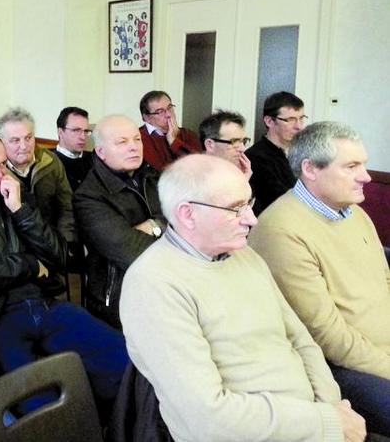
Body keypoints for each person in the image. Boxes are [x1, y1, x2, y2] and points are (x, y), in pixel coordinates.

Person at [120, 154, 366, 442]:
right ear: (188, 214)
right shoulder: (154, 283)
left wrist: (331, 407)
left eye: (248, 204)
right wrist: (326, 422)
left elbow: (301, 339)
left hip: (310, 422)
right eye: (235, 208)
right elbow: (210, 419)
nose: (252, 219)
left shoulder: (245, 255)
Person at [0, 130, 128, 419]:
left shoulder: (19, 195)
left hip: (44, 303)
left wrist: (20, 210)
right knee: (39, 405)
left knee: (124, 360)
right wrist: (29, 265)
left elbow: (60, 256)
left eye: (2, 164)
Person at [249, 121, 390, 436]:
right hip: (342, 368)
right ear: (310, 169)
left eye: (364, 164)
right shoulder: (282, 230)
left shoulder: (354, 212)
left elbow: (385, 284)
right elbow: (328, 338)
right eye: (352, 166)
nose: (366, 176)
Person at [73, 115, 164, 328]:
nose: (134, 147)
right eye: (122, 142)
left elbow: (187, 219)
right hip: (119, 296)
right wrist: (170, 232)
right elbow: (130, 251)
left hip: (163, 283)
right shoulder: (89, 196)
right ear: (101, 152)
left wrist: (154, 226)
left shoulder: (153, 176)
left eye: (137, 139)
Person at [0, 107, 75, 244]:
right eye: (15, 140)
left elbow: (66, 207)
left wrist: (65, 242)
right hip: (18, 246)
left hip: (53, 241)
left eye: (28, 138)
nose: (24, 146)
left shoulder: (51, 162)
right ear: (1, 142)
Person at [246, 91, 307, 215]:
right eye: (290, 120)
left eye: (301, 118)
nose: (299, 126)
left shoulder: (301, 153)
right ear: (269, 121)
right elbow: (283, 202)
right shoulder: (256, 158)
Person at [138, 90, 201, 171]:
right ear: (147, 117)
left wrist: (174, 141)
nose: (168, 114)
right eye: (160, 112)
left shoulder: (188, 134)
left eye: (170, 108)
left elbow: (198, 167)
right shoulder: (138, 138)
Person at [199, 109, 252, 178]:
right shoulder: (195, 177)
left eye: (244, 141)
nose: (243, 149)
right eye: (234, 142)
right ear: (210, 145)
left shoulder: (233, 173)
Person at [54, 106, 94, 191]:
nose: (83, 137)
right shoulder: (47, 162)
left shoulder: (95, 159)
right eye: (76, 130)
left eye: (86, 131)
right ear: (60, 132)